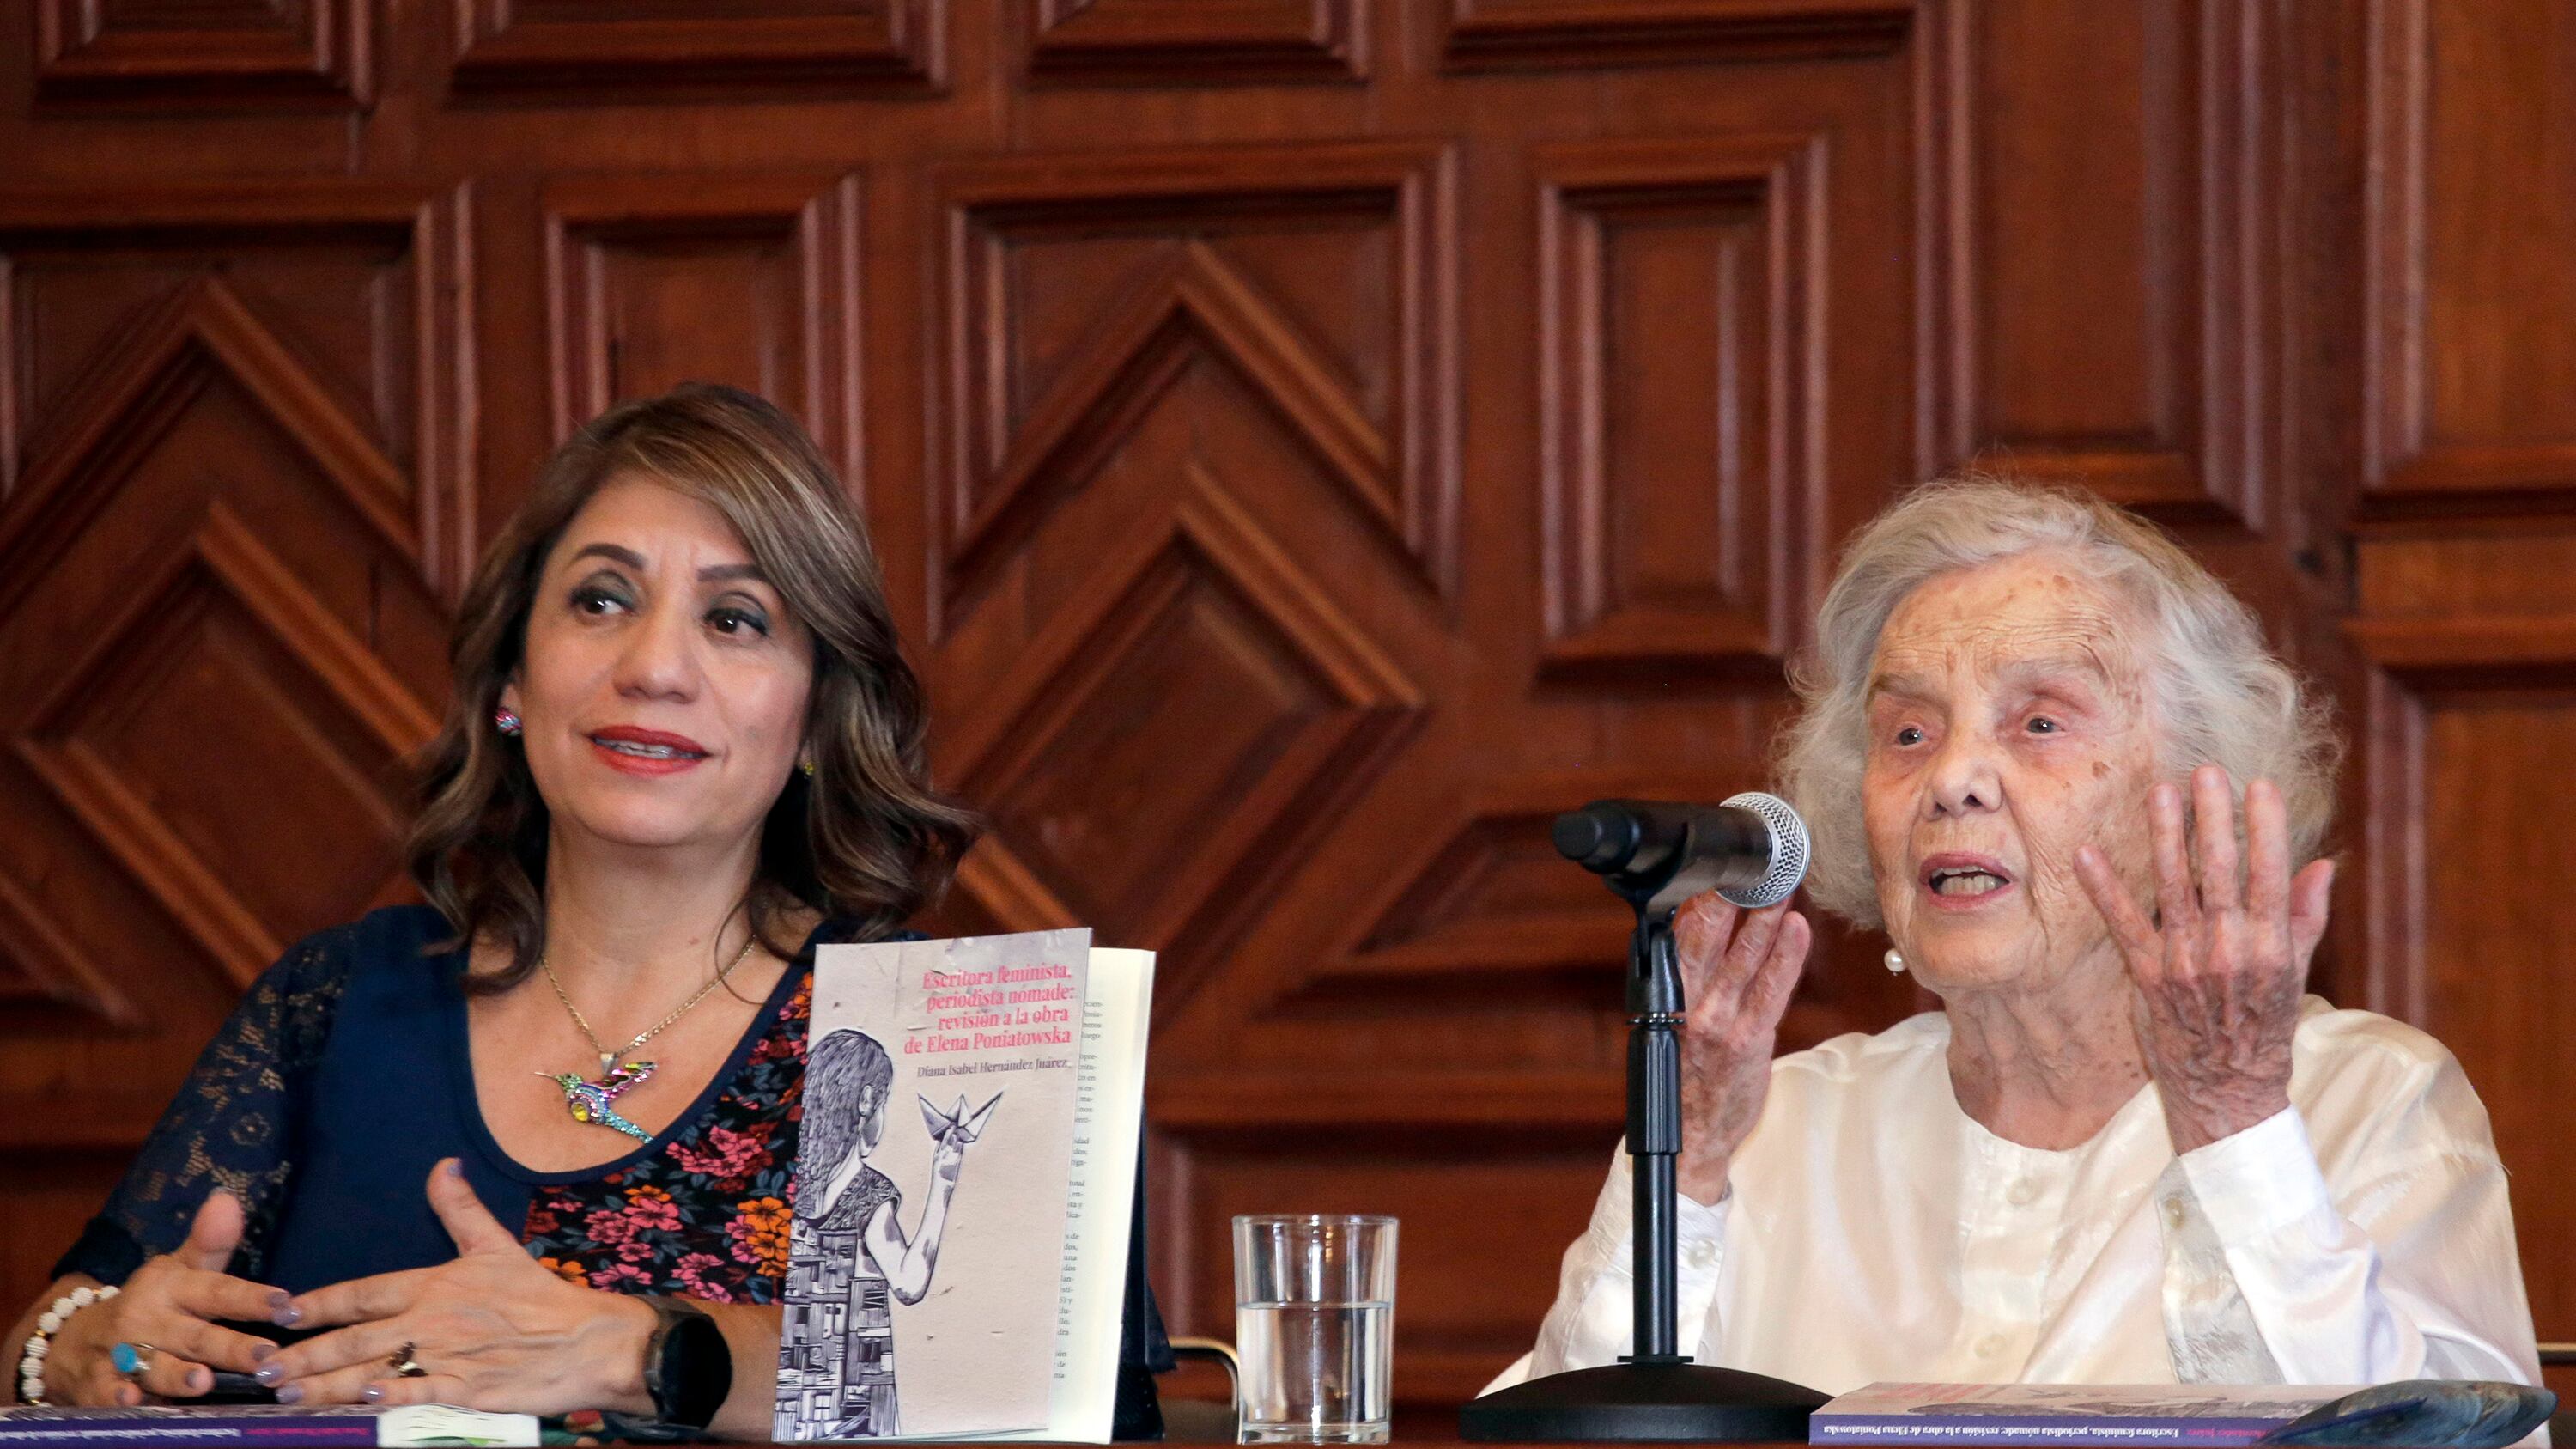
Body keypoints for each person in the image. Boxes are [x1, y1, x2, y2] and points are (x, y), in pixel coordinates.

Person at [9, 382, 978, 1435]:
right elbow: (59, 1328)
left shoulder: (928, 1035)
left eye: (734, 619)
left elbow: (1044, 1399)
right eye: (601, 600)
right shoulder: (332, 1002)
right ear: (514, 675)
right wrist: (83, 1350)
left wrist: (640, 1353)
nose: (654, 667)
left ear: (816, 721)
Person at [1498, 479, 2542, 1393]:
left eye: (2040, 722)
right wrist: (1677, 1171)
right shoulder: (1773, 1125)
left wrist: (2234, 1126)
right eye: (1907, 732)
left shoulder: (2364, 1106)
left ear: (2189, 793)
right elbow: (1574, 1429)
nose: (1952, 777)